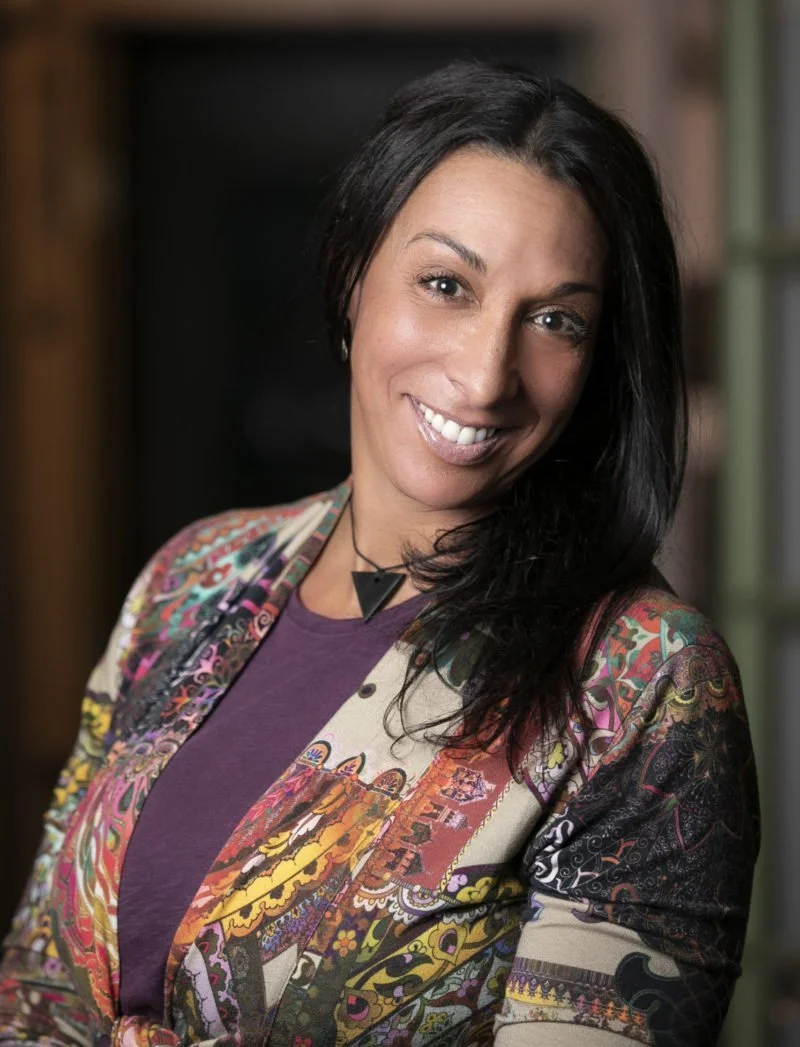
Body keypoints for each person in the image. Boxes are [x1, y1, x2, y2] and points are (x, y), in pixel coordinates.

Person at [0, 60, 758, 1047]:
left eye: (554, 321)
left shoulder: (644, 680)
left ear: (599, 361)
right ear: (355, 272)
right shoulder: (193, 577)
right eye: (446, 285)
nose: (484, 376)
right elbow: (39, 983)